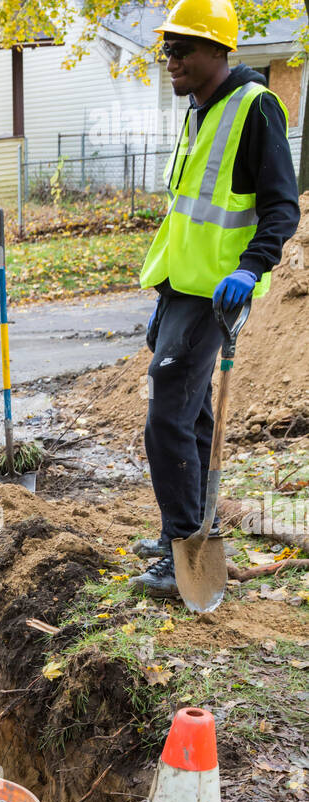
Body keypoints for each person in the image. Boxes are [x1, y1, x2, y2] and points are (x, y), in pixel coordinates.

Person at [132, 0, 300, 597]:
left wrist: (252, 269)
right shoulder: (201, 111)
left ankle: (184, 546)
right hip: (181, 287)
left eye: (181, 49)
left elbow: (282, 207)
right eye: (167, 50)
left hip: (217, 293)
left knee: (167, 417)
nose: (170, 60)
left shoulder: (255, 108)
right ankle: (192, 528)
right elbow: (192, 214)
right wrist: (166, 287)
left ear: (217, 51)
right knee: (192, 415)